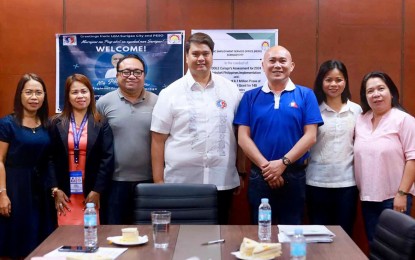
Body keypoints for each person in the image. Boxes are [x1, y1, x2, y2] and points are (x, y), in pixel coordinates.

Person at [151, 32, 243, 224]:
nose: (201, 58)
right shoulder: (170, 93)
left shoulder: (231, 90)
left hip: (221, 180)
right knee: (180, 239)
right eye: (195, 54)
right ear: (186, 57)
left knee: (218, 238)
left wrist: (240, 172)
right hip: (180, 182)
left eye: (206, 53)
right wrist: (158, 182)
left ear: (212, 56)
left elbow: (239, 134)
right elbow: (157, 139)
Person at [234, 45, 323, 225]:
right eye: (272, 61)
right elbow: (243, 137)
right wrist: (268, 168)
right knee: (260, 232)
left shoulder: (306, 95)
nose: (277, 65)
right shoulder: (250, 97)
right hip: (260, 174)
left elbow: (311, 136)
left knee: (291, 231)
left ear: (292, 66)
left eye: (282, 61)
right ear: (263, 65)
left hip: (294, 175)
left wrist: (282, 164)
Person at [354, 71, 415, 242]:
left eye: (381, 88)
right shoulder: (361, 120)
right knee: (376, 246)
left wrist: (402, 194)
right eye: (370, 91)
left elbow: (413, 159)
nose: (376, 94)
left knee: (395, 249)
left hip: (394, 198)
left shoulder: (404, 120)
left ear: (392, 92)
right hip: (367, 197)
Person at [97, 54, 158, 224]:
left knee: (148, 233)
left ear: (144, 75)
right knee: (114, 234)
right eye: (126, 72)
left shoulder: (158, 102)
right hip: (114, 183)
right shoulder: (103, 103)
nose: (132, 76)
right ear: (117, 75)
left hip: (149, 181)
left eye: (137, 72)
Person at [0, 73, 55, 258]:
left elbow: (50, 159)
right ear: (20, 95)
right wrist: (2, 193)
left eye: (38, 92)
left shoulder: (48, 124)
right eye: (29, 92)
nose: (34, 97)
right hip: (16, 188)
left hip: (41, 189)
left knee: (42, 240)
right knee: (18, 239)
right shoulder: (7, 124)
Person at [48, 74, 114, 225]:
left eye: (84, 91)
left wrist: (97, 190)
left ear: (91, 93)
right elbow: (49, 158)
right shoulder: (55, 122)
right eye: (74, 92)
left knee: (91, 232)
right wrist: (55, 189)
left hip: (91, 190)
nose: (80, 96)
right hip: (64, 190)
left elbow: (107, 158)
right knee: (64, 235)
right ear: (68, 96)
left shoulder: (101, 123)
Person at [306, 60, 362, 236]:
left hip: (347, 183)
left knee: (345, 235)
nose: (333, 84)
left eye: (339, 80)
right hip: (316, 182)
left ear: (345, 82)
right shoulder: (313, 109)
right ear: (321, 82)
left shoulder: (357, 110)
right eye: (328, 79)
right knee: (318, 235)